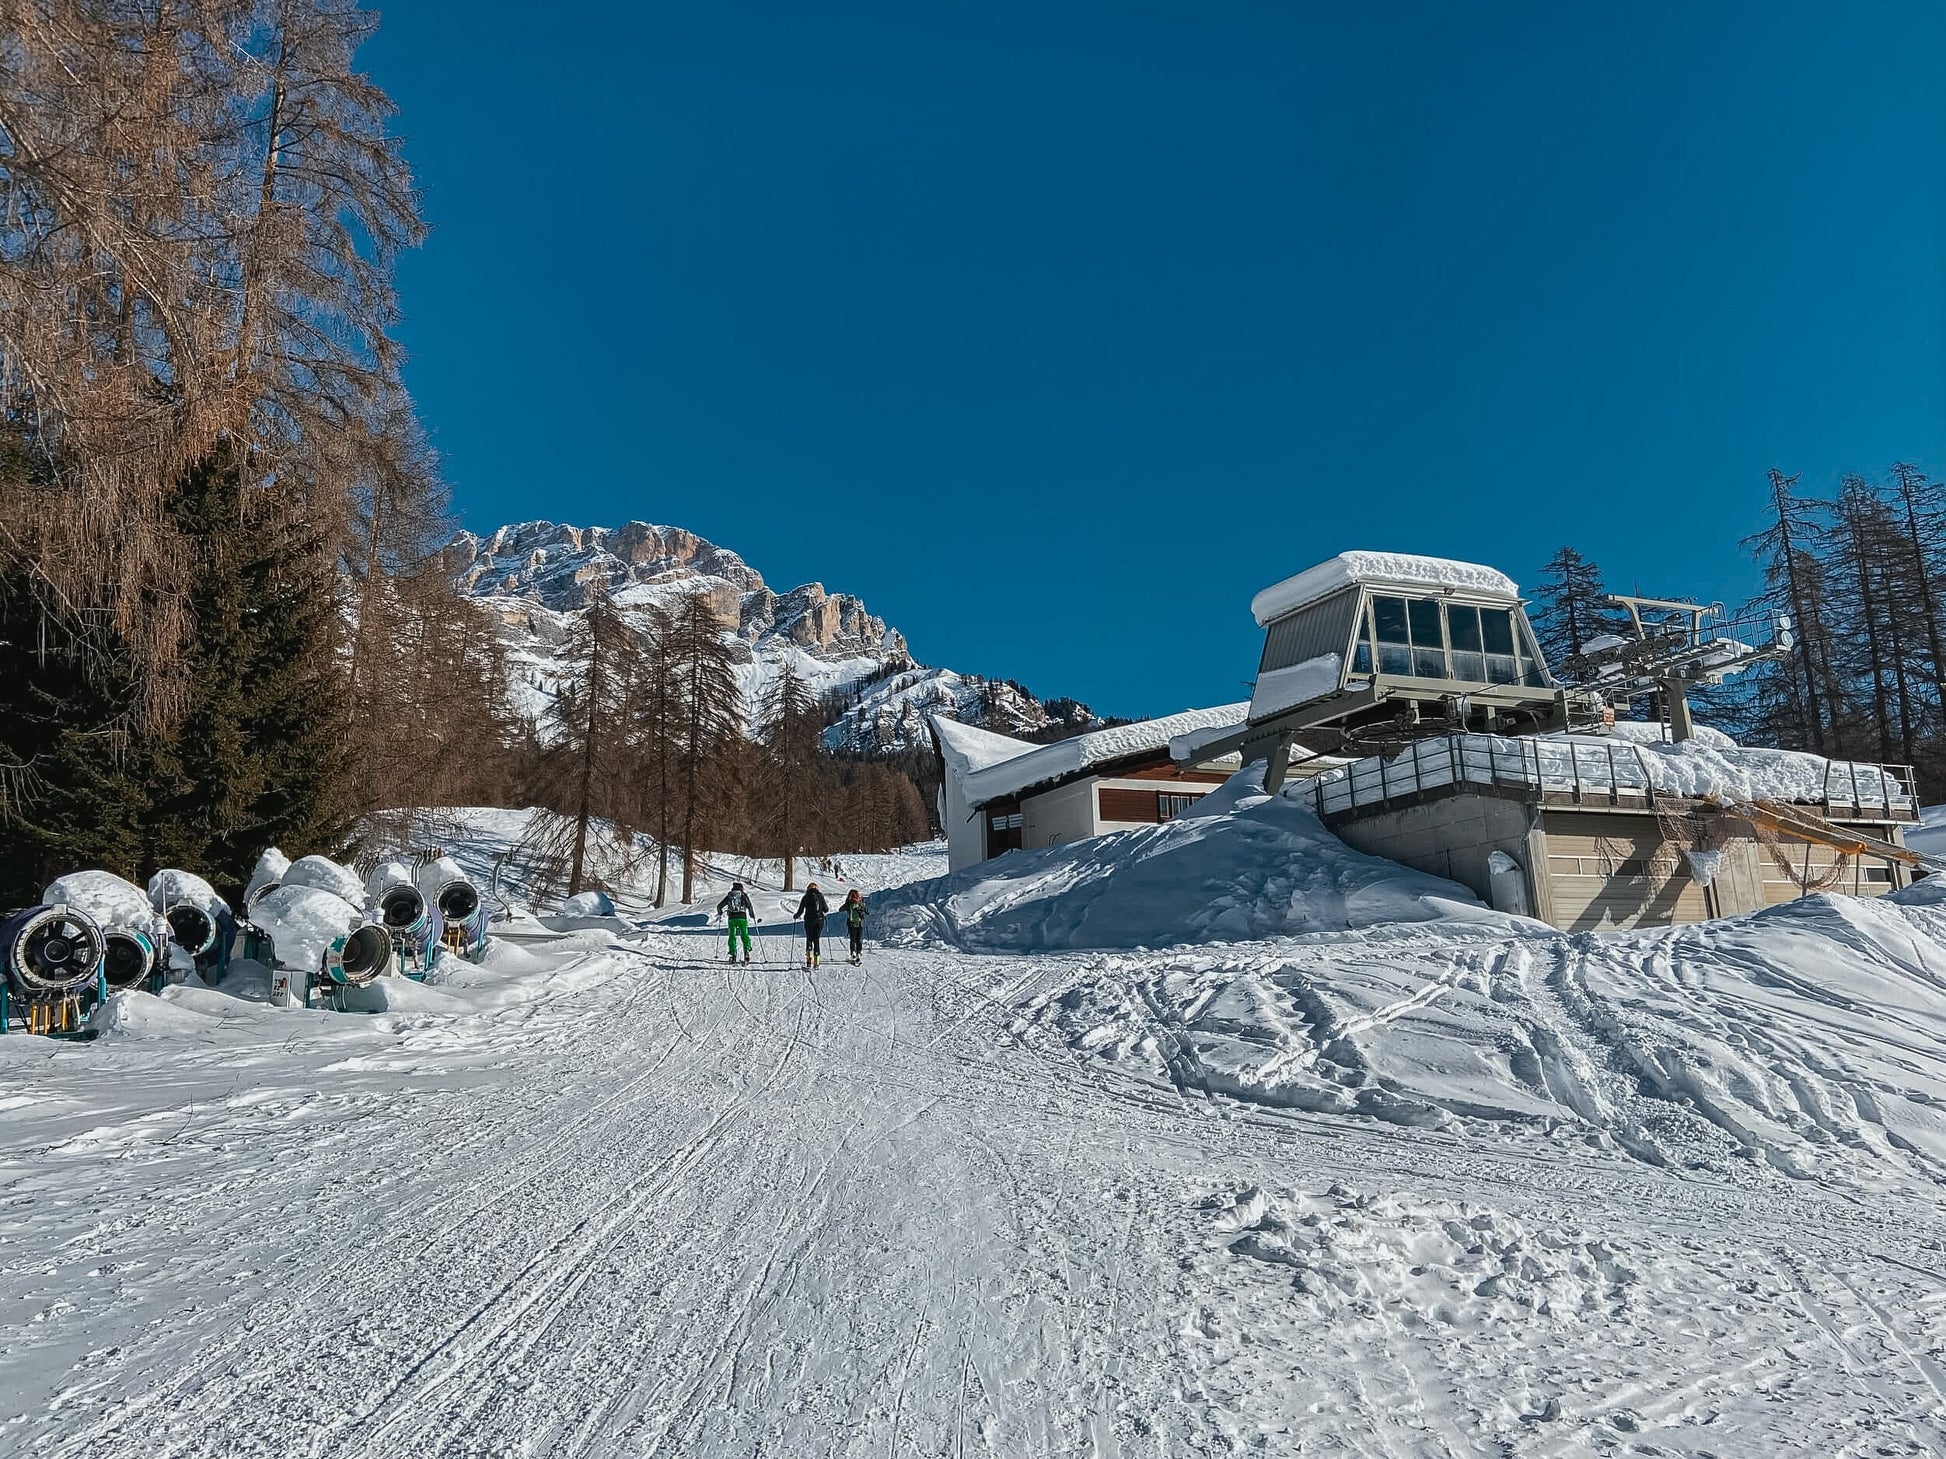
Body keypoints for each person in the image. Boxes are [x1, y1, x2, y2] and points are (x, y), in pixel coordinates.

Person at [715, 881, 757, 963]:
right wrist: (752, 915)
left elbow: (719, 906)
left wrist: (720, 912)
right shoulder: (743, 895)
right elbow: (749, 905)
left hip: (732, 918)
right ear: (741, 888)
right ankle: (746, 952)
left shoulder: (729, 896)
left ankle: (733, 955)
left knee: (732, 936)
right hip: (742, 918)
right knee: (745, 935)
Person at [795, 881, 829, 968]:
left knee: (809, 938)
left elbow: (800, 911)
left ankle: (809, 960)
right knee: (816, 939)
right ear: (817, 888)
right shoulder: (820, 896)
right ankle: (817, 962)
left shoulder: (805, 897)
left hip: (809, 920)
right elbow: (826, 909)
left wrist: (796, 916)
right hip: (820, 920)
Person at [840, 888, 866, 965]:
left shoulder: (848, 903)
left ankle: (853, 952)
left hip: (851, 924)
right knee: (859, 939)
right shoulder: (860, 902)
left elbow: (840, 909)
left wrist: (847, 905)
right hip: (860, 923)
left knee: (853, 939)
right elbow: (866, 911)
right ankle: (859, 952)